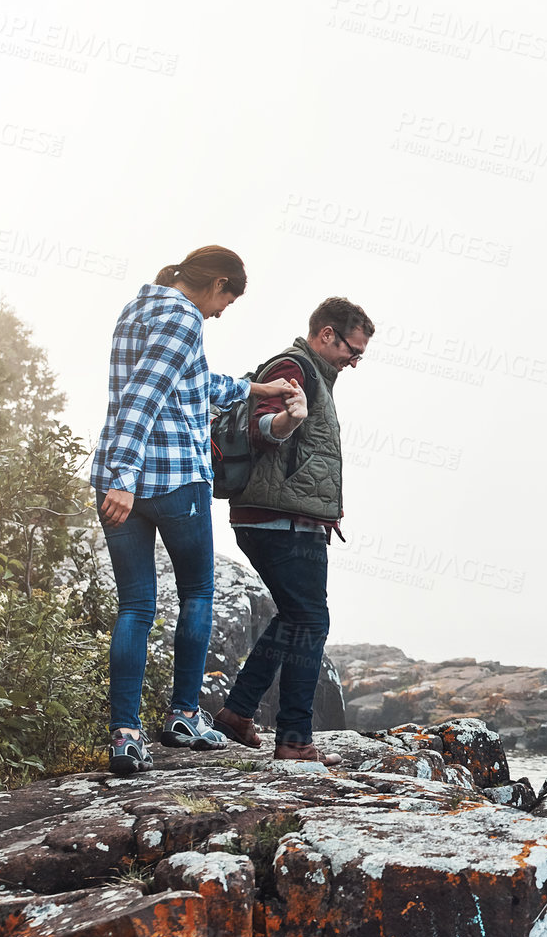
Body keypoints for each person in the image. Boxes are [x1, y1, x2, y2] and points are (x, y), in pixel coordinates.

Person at [91, 246, 299, 776]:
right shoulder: (184, 317)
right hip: (169, 479)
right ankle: (184, 715)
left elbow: (192, 385)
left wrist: (257, 388)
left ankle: (125, 736)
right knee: (197, 593)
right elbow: (144, 396)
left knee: (135, 607)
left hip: (119, 479)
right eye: (227, 300)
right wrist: (126, 481)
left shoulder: (139, 306)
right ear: (219, 283)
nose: (222, 311)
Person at [212, 297, 374, 765]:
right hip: (279, 519)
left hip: (287, 517)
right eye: (352, 350)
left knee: (293, 616)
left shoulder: (316, 375)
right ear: (327, 334)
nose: (354, 361)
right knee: (311, 620)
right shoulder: (293, 367)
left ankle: (238, 712)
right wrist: (287, 420)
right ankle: (296, 739)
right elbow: (262, 427)